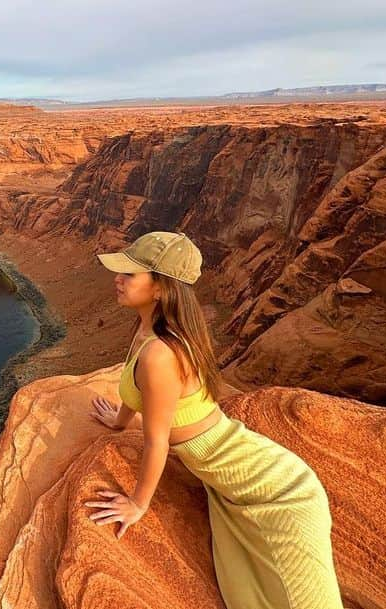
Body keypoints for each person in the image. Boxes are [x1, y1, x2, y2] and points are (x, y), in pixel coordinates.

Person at [84, 230, 344, 609]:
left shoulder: (160, 353)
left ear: (160, 289)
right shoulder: (149, 330)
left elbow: (157, 441)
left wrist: (138, 505)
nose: (117, 279)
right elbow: (140, 391)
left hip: (280, 493)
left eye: (130, 274)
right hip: (234, 487)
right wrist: (120, 420)